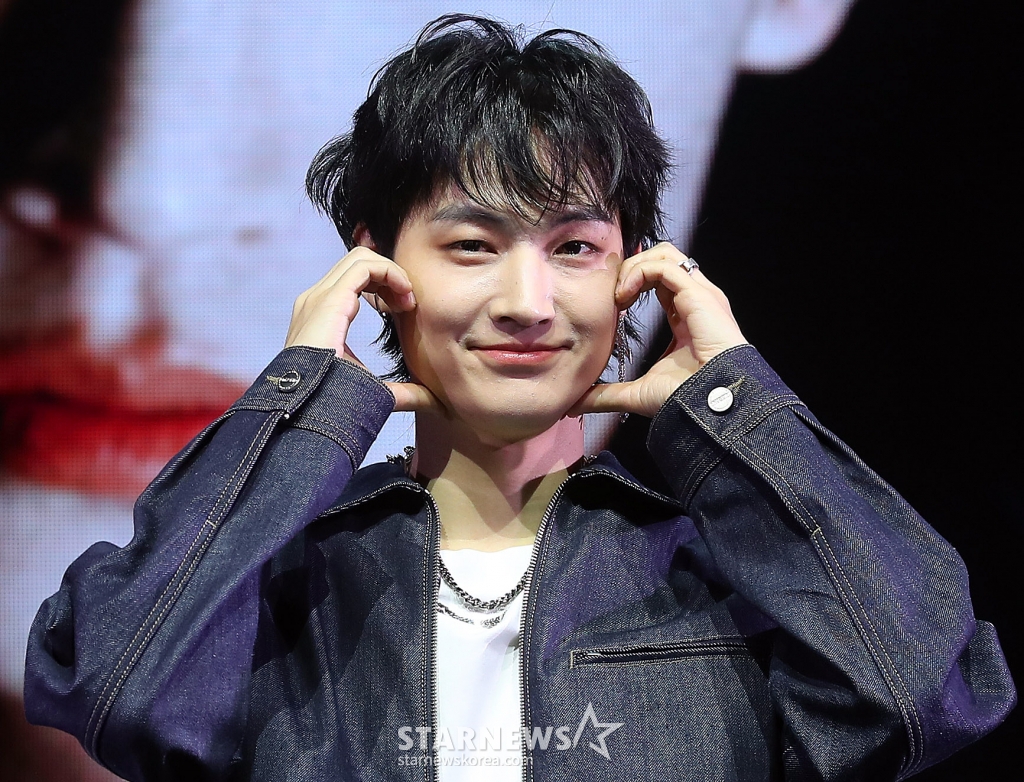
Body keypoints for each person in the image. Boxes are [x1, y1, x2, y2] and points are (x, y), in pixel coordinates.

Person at [22, 14, 1014, 782]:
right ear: (374, 269)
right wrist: (305, 397)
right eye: (472, 244)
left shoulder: (721, 583)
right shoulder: (286, 588)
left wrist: (728, 404)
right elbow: (108, 686)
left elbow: (923, 694)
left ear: (636, 274)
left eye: (574, 247)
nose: (528, 302)